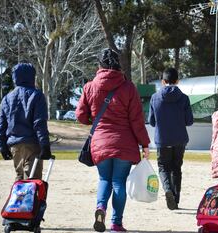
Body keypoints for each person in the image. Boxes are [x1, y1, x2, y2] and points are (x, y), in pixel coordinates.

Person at [76, 48, 150, 233]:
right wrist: (145, 144)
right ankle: (116, 224)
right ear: (118, 64)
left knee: (104, 179)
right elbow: (137, 120)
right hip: (124, 144)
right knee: (119, 182)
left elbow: (80, 115)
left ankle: (100, 207)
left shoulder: (90, 87)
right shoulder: (128, 87)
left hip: (100, 143)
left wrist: (92, 120)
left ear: (99, 65)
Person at [0, 62, 52, 181]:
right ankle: (32, 201)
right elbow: (39, 123)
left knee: (20, 178)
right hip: (32, 144)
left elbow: (1, 125)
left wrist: (2, 147)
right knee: (32, 181)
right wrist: (45, 146)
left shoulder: (7, 98)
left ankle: (18, 200)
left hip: (15, 146)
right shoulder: (37, 96)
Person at [148, 67, 193, 210]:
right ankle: (176, 198)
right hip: (180, 139)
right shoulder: (184, 98)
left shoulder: (155, 98)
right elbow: (189, 121)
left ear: (163, 81)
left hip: (163, 139)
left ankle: (168, 190)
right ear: (177, 81)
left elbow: (152, 121)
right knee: (176, 168)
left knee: (163, 167)